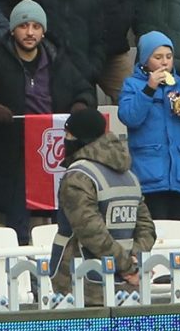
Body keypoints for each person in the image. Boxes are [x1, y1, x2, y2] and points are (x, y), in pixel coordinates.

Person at [51, 103, 154, 293]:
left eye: (69, 134)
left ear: (81, 137)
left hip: (82, 283)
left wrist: (126, 267)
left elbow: (90, 230)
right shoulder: (130, 176)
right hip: (128, 286)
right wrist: (134, 262)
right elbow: (146, 228)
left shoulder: (78, 175)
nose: (66, 140)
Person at [118, 30, 180, 222]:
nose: (165, 62)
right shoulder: (132, 85)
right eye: (158, 57)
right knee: (155, 235)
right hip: (150, 176)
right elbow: (130, 117)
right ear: (145, 59)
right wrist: (149, 89)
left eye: (169, 57)